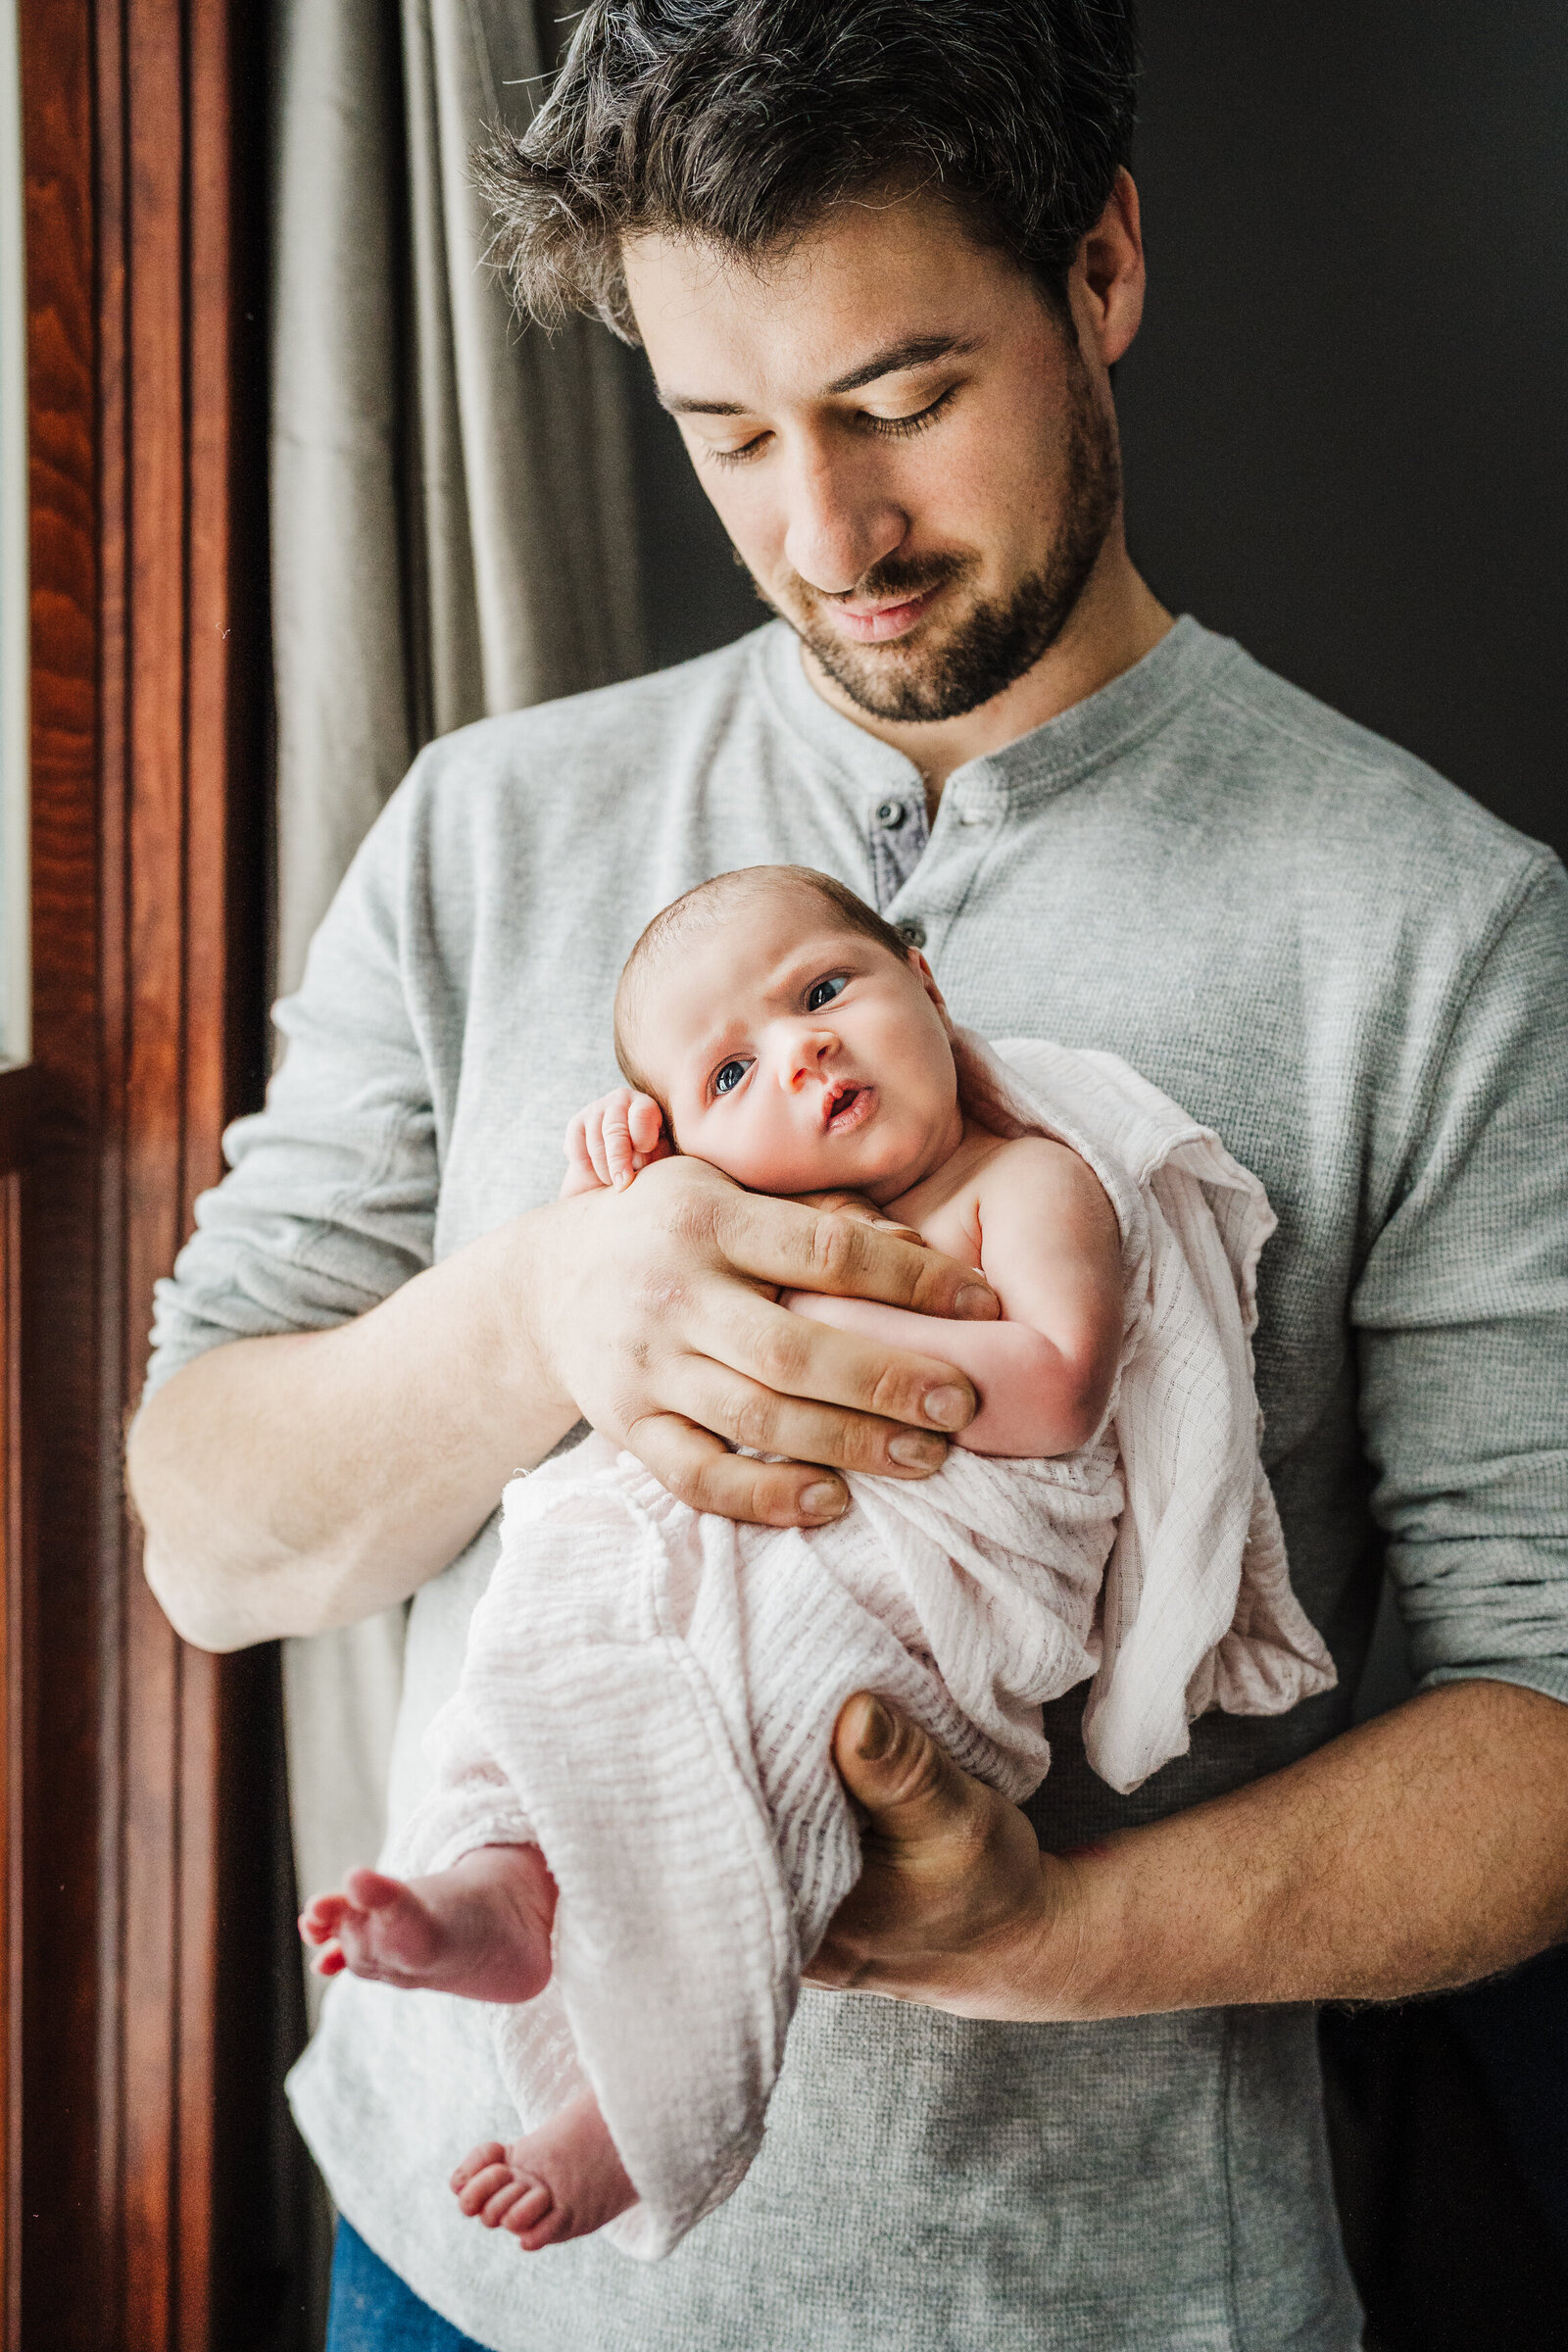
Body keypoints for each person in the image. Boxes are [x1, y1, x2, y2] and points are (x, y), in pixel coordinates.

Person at [126, 2, 1568, 2345]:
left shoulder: (1432, 928)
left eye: (901, 400)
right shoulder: (490, 828)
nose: (831, 534)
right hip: (453, 2272)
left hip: (1072, 2299)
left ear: (1095, 268)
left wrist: (1039, 1937)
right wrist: (539, 1314)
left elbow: (1548, 1723)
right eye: (727, 433)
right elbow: (207, 1537)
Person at [295, 863, 1331, 2261]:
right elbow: (641, 1315)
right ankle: (494, 1876)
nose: (804, 1048)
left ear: (928, 983)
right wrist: (622, 1198)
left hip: (925, 1593)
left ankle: (646, 2100)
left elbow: (1056, 1384)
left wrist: (806, 1336)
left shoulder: (1018, 1180)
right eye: (732, 1071)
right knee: (552, 1596)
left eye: (826, 989)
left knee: (771, 1736)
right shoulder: (741, 1233)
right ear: (704, 1161)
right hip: (746, 1533)